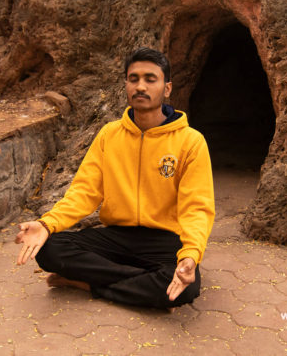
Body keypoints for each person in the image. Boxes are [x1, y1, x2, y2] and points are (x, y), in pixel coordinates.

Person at [14, 47, 215, 310]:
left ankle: (87, 283)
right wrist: (46, 224)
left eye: (150, 79)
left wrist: (190, 255)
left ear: (167, 89)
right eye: (134, 79)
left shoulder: (191, 142)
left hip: (164, 240)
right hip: (117, 236)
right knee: (47, 249)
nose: (140, 86)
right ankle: (142, 284)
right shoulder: (110, 134)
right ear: (126, 85)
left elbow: (196, 208)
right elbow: (84, 193)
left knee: (188, 291)